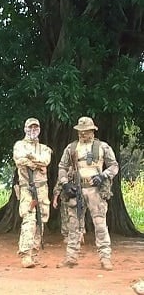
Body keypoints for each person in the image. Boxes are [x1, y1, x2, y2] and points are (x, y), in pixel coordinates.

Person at [56, 116, 119, 271]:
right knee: (74, 225)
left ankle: (105, 258)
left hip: (95, 190)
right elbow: (62, 167)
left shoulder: (103, 147)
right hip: (76, 189)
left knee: (100, 224)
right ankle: (71, 257)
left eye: (86, 131)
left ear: (92, 131)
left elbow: (114, 166)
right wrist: (65, 183)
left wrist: (103, 176)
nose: (83, 134)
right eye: (80, 131)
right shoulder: (71, 148)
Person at [13, 117, 52, 268]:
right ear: (25, 129)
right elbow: (19, 160)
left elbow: (45, 161)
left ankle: (35, 253)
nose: (32, 131)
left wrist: (31, 158)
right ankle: (25, 254)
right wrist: (33, 162)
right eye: (30, 128)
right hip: (27, 188)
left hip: (42, 188)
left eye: (35, 128)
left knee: (42, 220)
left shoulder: (44, 148)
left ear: (39, 130)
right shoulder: (19, 145)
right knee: (29, 219)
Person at [52, 174, 86, 244]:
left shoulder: (82, 170)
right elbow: (59, 185)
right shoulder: (65, 171)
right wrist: (55, 199)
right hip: (67, 197)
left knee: (80, 215)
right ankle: (67, 235)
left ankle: (80, 234)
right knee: (66, 216)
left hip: (80, 197)